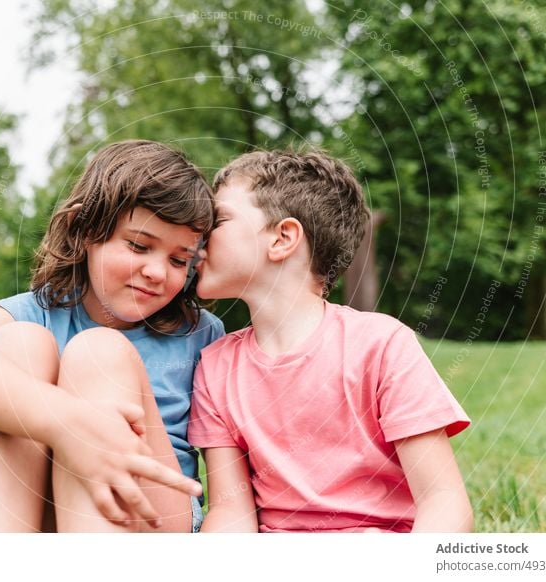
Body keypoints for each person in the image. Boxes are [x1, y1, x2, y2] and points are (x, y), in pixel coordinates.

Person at [0, 140, 224, 533]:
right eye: (139, 246)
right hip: (40, 514)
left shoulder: (201, 333)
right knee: (15, 345)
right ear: (85, 230)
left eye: (179, 260)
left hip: (153, 518)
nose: (158, 272)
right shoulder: (36, 311)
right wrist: (68, 425)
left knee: (100, 352)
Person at [188, 149, 473, 533]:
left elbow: (444, 503)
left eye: (218, 221)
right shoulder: (215, 366)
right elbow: (231, 513)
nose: (197, 239)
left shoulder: (382, 345)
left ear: (283, 238)